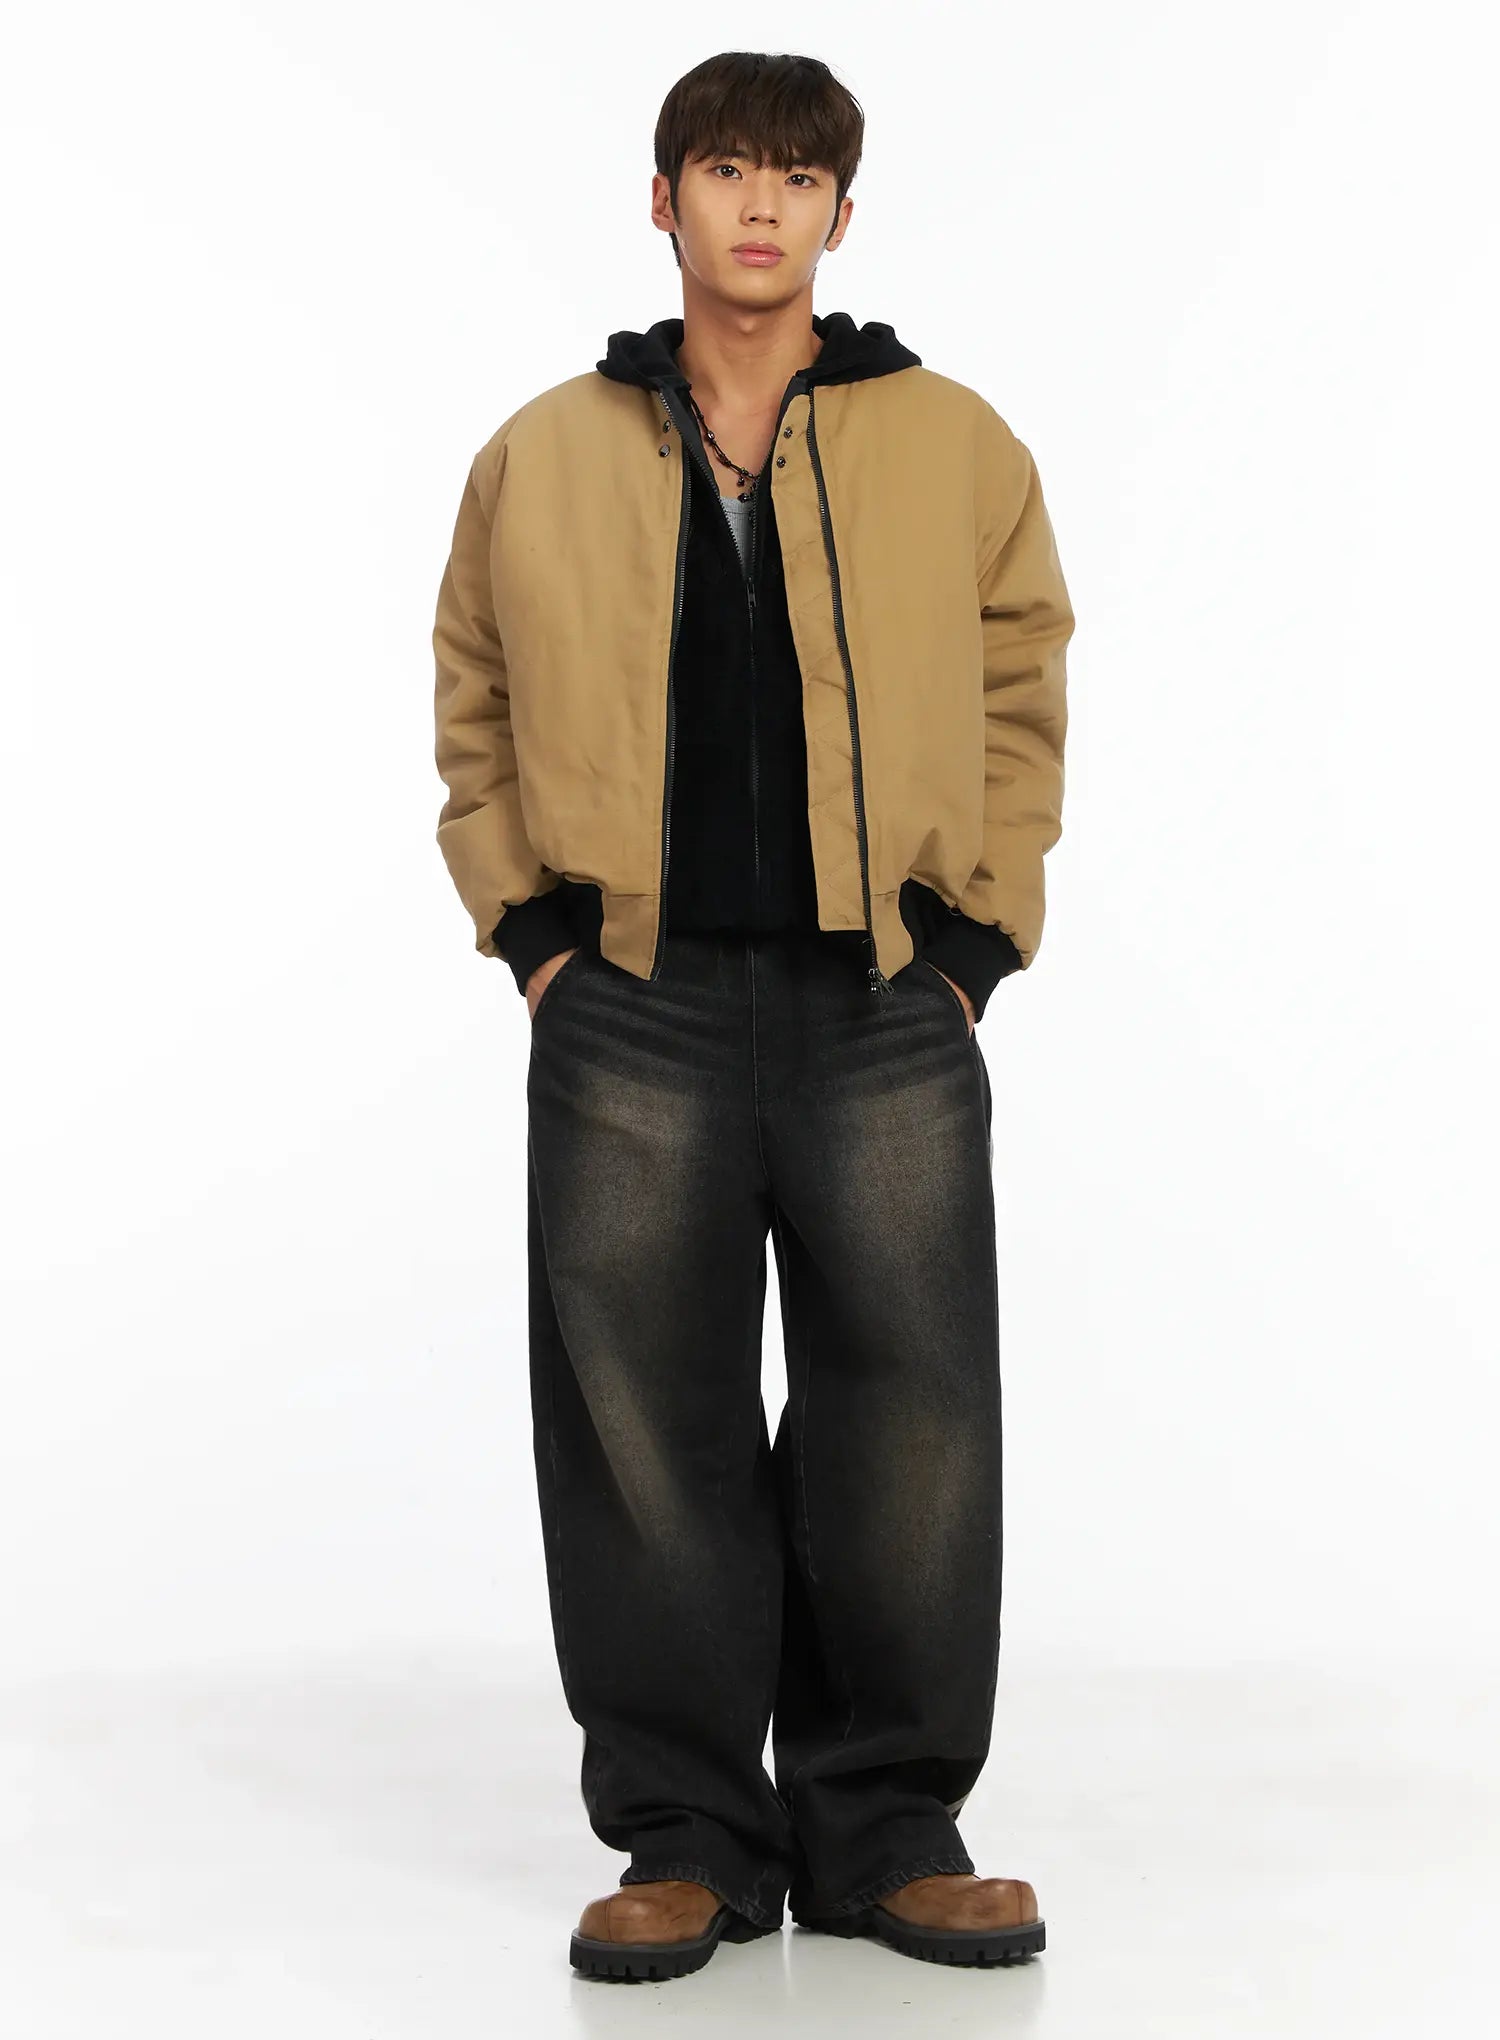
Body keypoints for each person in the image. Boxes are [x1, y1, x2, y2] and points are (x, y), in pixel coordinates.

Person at [431, 49, 1074, 1982]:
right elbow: (473, 688)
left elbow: (1024, 679)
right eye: (726, 170)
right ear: (666, 202)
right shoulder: (542, 451)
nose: (763, 205)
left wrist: (974, 940)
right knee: (644, 1420)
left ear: (843, 214)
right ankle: (689, 1838)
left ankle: (889, 1829)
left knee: (911, 1411)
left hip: (882, 996)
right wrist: (535, 932)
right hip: (629, 999)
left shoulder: (952, 440)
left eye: (799, 176)